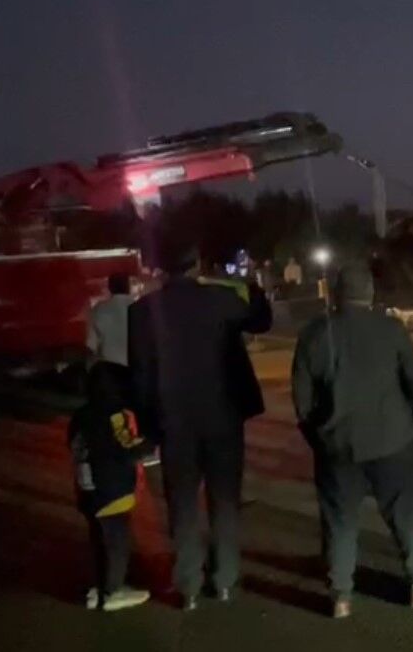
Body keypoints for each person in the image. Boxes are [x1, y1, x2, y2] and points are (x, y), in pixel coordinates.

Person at [291, 264, 413, 619]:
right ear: (370, 294)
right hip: (393, 440)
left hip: (336, 445)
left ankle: (341, 595)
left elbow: (301, 400)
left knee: (339, 520)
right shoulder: (390, 329)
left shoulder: (314, 334)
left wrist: (317, 438)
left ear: (334, 294)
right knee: (405, 514)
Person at [128, 243, 272, 610]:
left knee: (182, 504)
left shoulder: (143, 312)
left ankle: (189, 585)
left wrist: (147, 425)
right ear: (196, 266)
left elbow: (140, 375)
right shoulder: (221, 300)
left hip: (174, 421)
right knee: (224, 500)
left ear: (161, 269)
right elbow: (261, 322)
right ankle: (224, 580)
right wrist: (254, 285)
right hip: (223, 414)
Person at [70, 362, 155, 611]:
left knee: (99, 540)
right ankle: (113, 591)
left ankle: (100, 588)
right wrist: (150, 444)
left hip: (87, 489)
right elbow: (128, 447)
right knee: (117, 543)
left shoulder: (80, 415)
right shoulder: (117, 415)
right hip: (113, 490)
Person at [87, 273, 134, 368]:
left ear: (110, 288)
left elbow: (91, 345)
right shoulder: (142, 308)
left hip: (109, 370)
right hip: (137, 370)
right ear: (129, 287)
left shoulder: (98, 310)